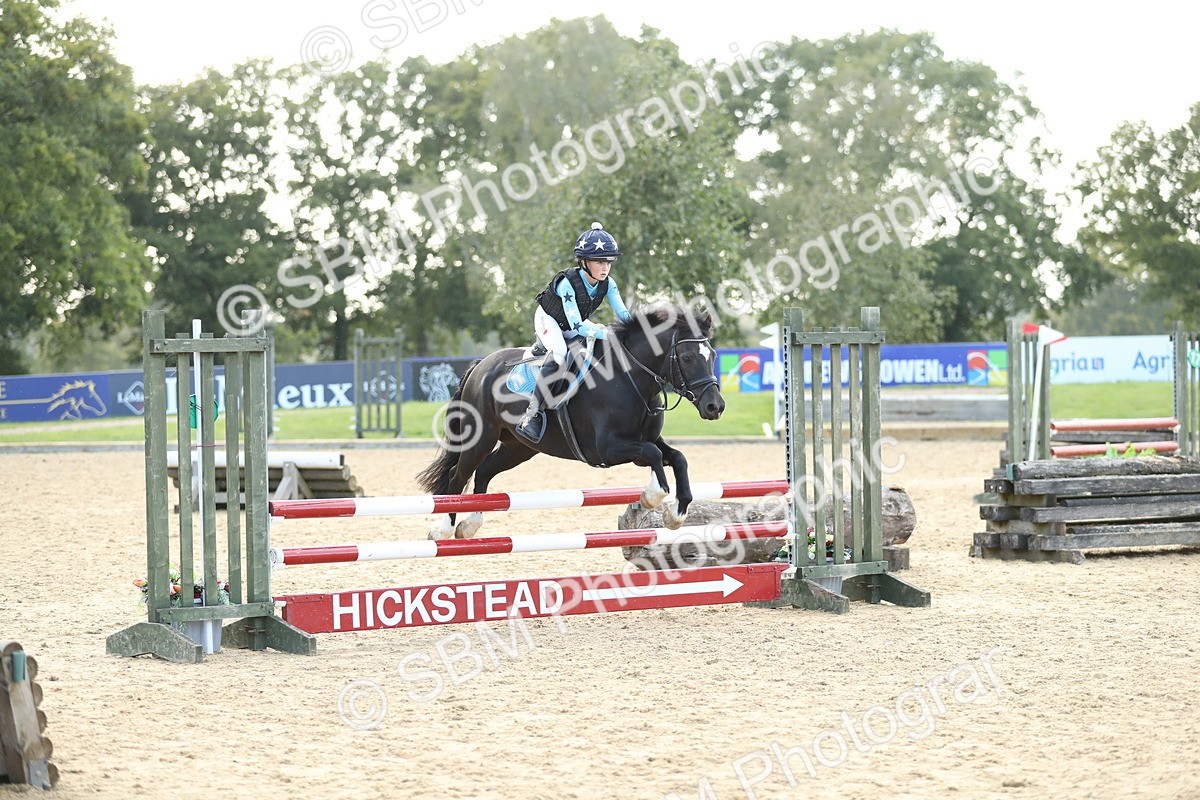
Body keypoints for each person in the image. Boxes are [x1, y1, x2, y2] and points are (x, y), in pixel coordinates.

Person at [514, 222, 634, 443]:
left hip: (572, 323)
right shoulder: (568, 283)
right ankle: (532, 414)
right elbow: (578, 325)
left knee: (592, 350)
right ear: (584, 262)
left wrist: (639, 330)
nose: (605, 267)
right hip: (548, 319)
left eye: (608, 261)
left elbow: (623, 314)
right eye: (599, 262)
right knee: (559, 352)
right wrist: (605, 332)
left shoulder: (608, 284)